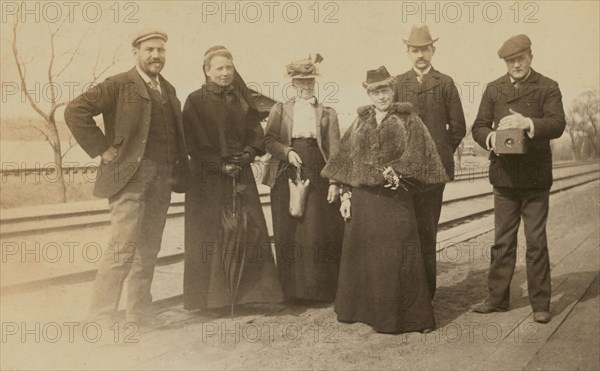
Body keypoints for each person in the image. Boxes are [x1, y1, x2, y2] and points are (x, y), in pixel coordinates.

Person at [64, 29, 191, 326]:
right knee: (122, 248)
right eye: (149, 50)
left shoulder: (169, 90)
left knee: (148, 247)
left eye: (160, 50)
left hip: (162, 179)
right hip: (128, 178)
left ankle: (139, 312)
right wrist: (103, 150)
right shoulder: (119, 84)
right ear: (136, 51)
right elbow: (75, 111)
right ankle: (101, 319)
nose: (156, 56)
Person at [321, 66, 449, 334]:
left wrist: (399, 171)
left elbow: (421, 155)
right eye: (375, 91)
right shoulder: (359, 122)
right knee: (366, 257)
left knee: (398, 256)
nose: (381, 96)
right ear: (368, 93)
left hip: (395, 198)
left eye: (385, 90)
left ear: (393, 89)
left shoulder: (409, 119)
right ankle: (362, 311)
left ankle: (408, 317)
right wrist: (345, 194)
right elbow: (346, 158)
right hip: (364, 200)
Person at [471, 35, 566, 323]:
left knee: (536, 241)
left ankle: (540, 304)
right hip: (504, 177)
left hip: (535, 178)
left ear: (530, 57)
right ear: (505, 63)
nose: (516, 64)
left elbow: (558, 124)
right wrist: (491, 137)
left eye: (520, 59)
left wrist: (528, 124)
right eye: (510, 61)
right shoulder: (493, 89)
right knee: (503, 241)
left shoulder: (548, 87)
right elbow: (478, 126)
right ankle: (497, 299)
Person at [182, 46, 282, 311]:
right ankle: (212, 301)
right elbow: (193, 142)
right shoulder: (194, 100)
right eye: (219, 68)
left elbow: (255, 135)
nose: (225, 73)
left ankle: (252, 296)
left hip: (241, 173)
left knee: (250, 228)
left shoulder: (241, 99)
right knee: (213, 233)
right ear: (207, 71)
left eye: (229, 68)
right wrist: (219, 165)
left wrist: (248, 155)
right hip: (208, 179)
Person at [393, 24, 466, 301]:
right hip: (404, 172)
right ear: (408, 52)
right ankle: (405, 294)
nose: (420, 55)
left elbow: (458, 127)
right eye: (415, 50)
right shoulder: (399, 83)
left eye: (425, 49)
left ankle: (426, 296)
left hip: (434, 174)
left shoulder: (445, 83)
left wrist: (439, 153)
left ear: (433, 50)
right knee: (403, 231)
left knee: (427, 232)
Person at [263, 55, 343, 303]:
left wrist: (334, 182)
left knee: (316, 229)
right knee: (289, 229)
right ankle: (291, 292)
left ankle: (320, 291)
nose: (306, 86)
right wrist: (287, 152)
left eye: (310, 81)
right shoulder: (280, 109)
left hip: (318, 170)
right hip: (287, 170)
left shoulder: (327, 113)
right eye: (301, 81)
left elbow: (335, 150)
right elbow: (269, 141)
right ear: (293, 83)